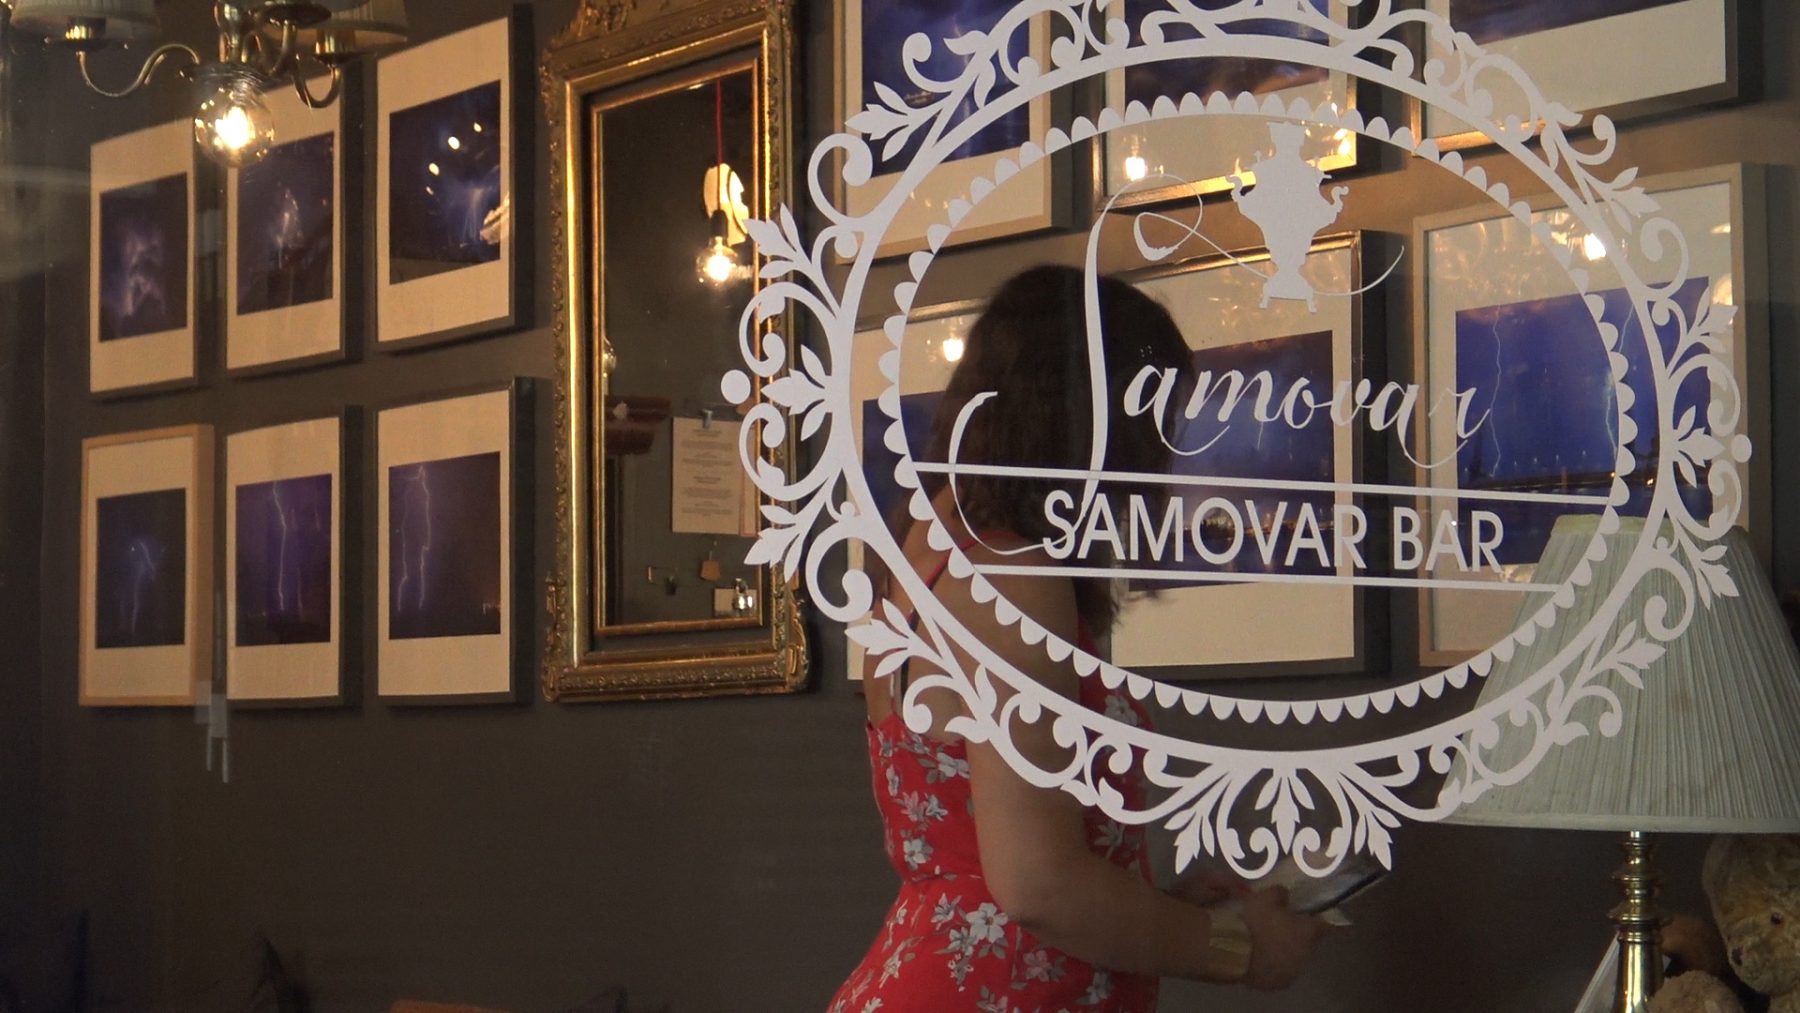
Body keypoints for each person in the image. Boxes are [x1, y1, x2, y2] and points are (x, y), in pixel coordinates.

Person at [829, 266, 1329, 1011]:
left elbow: (978, 850)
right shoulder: (1009, 574)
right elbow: (1036, 885)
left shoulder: (930, 550)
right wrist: (1241, 950)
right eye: (1151, 413)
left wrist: (1163, 907)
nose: (1160, 451)